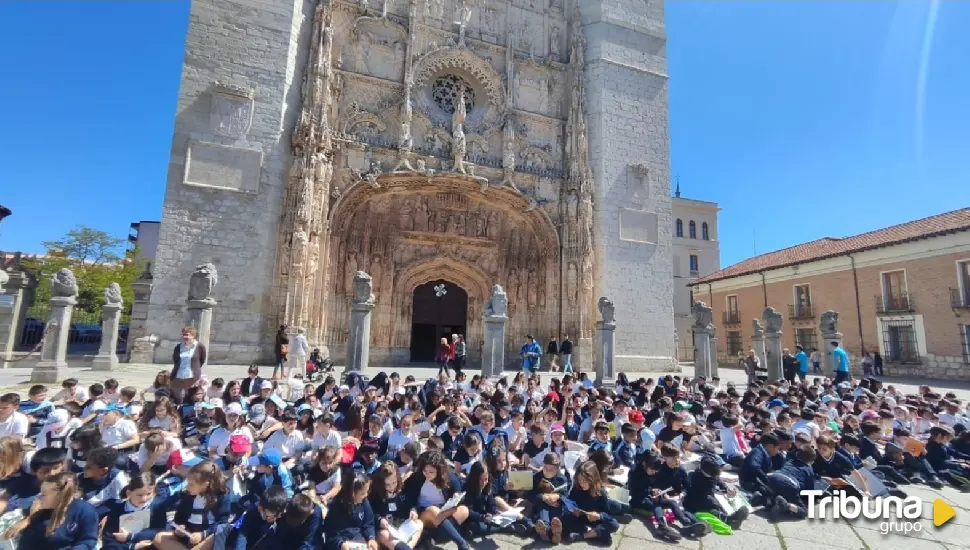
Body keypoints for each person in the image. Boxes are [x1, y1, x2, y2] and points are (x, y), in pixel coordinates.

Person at [3, 472, 99, 550]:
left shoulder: (85, 511)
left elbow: (88, 541)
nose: (39, 498)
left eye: (44, 495)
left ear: (60, 496)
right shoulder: (40, 509)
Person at [322, 470, 378, 550]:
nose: (366, 495)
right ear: (352, 493)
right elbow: (330, 532)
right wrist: (340, 544)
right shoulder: (336, 507)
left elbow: (368, 523)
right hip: (341, 543)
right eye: (362, 493)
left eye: (367, 492)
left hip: (358, 539)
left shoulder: (364, 502)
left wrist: (371, 538)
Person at [170, 327, 206, 403]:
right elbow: (175, 359)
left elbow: (201, 360)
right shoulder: (178, 347)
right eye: (183, 335)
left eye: (187, 335)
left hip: (191, 377)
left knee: (190, 396)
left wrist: (196, 370)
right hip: (178, 375)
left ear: (193, 335)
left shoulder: (200, 346)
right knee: (176, 397)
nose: (184, 337)